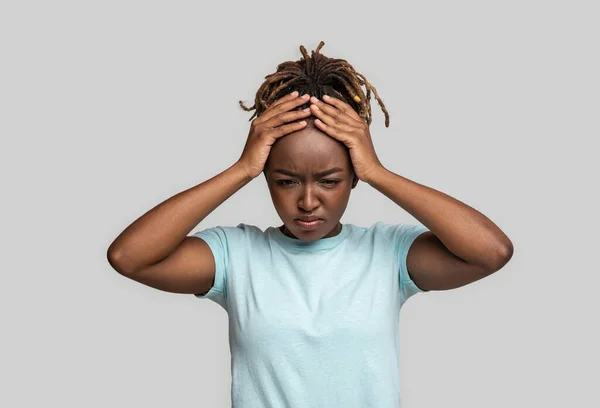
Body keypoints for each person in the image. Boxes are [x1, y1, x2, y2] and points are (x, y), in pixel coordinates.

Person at [107, 41, 514, 407]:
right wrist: (242, 168)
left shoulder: (387, 253)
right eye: (285, 181)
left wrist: (379, 172)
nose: (306, 201)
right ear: (265, 178)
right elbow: (129, 257)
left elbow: (490, 252)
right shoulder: (237, 255)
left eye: (330, 181)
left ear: (354, 176)